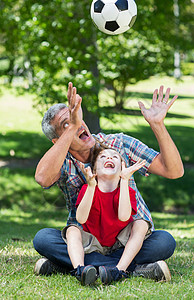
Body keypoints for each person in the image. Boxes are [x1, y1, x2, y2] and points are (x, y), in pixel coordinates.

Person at [33, 82, 184, 284]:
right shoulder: (62, 160)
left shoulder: (117, 144)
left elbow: (174, 171)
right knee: (43, 239)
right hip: (89, 242)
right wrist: (73, 129)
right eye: (66, 123)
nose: (78, 124)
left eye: (76, 116)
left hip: (129, 238)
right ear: (58, 139)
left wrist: (157, 124)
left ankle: (73, 266)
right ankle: (131, 269)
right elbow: (42, 178)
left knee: (164, 242)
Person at [64, 147, 148, 285]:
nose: (109, 158)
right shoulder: (87, 189)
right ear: (95, 170)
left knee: (150, 231)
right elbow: (80, 219)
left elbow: (123, 216)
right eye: (103, 157)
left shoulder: (128, 191)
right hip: (91, 246)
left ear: (121, 168)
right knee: (66, 232)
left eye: (115, 157)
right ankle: (80, 270)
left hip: (120, 245)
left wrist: (125, 180)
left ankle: (118, 271)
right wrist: (91, 186)